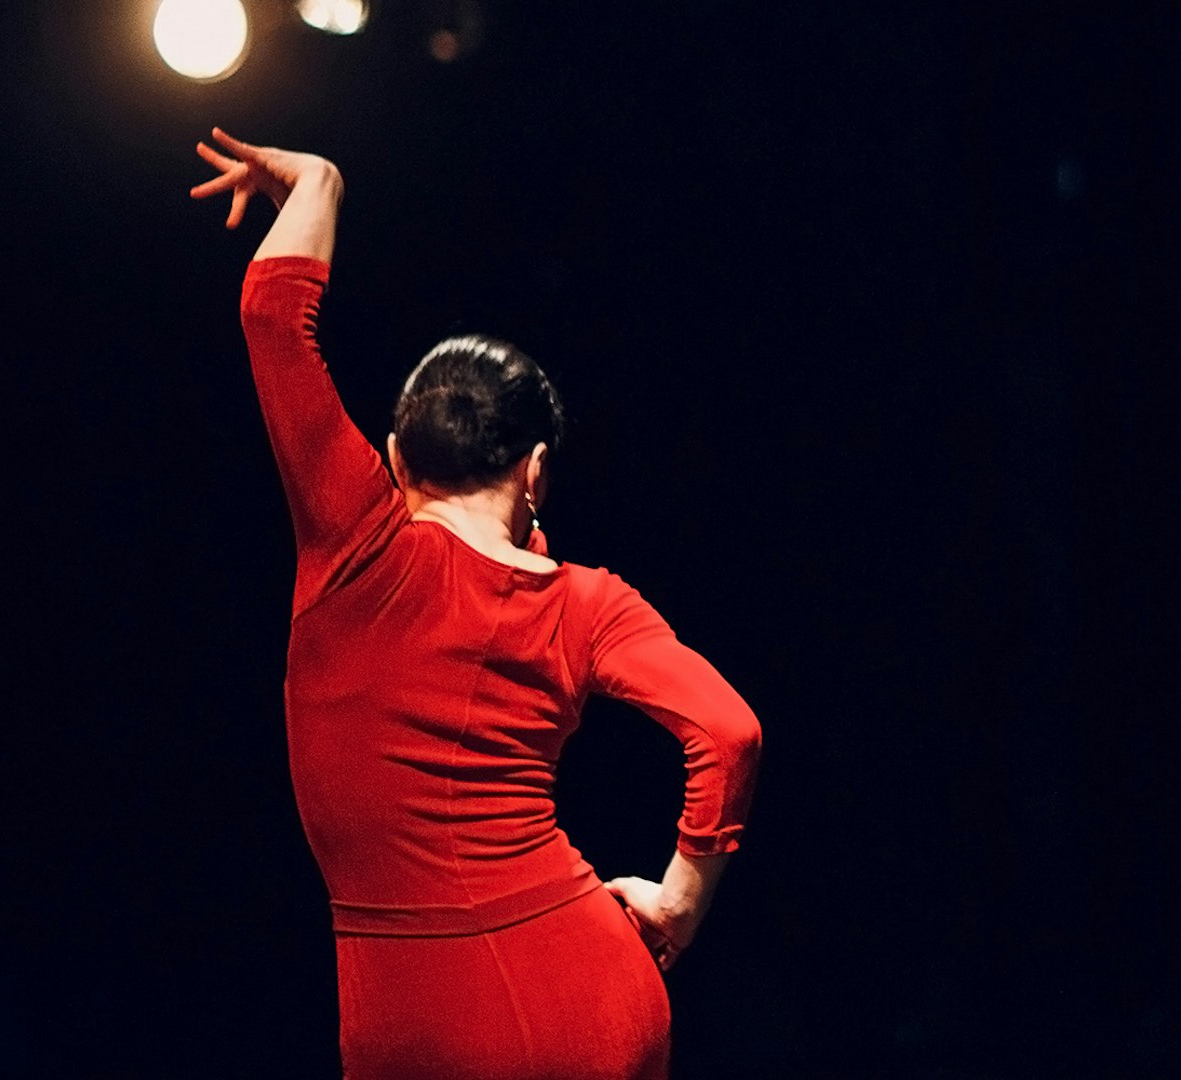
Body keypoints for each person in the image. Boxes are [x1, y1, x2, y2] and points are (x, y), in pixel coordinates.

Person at [190, 128, 763, 1080]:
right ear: (535, 471)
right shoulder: (586, 604)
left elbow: (270, 315)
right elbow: (730, 730)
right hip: (592, 997)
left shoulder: (357, 541)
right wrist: (680, 900)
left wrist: (320, 180)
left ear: (393, 457)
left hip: (423, 1022)